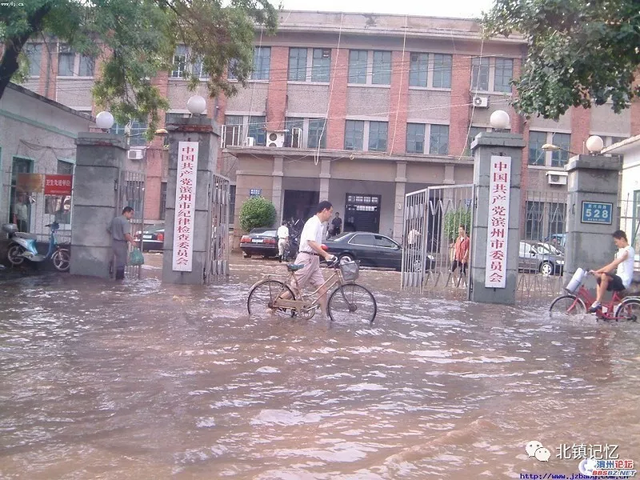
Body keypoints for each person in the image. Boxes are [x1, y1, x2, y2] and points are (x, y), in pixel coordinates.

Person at [292, 201, 336, 316]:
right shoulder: (314, 222)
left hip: (314, 260)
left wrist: (323, 249)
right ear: (324, 210)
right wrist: (326, 255)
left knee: (323, 290)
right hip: (307, 258)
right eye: (330, 212)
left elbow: (313, 243)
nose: (331, 215)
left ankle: (324, 318)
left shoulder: (319, 224)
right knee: (295, 289)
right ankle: (272, 309)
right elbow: (310, 242)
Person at [588, 230, 636, 313]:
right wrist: (597, 272)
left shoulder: (629, 251)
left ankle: (598, 302)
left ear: (622, 239)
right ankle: (598, 303)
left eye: (616, 241)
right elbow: (612, 264)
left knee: (604, 276)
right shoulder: (620, 251)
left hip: (623, 281)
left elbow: (614, 264)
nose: (616, 244)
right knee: (599, 277)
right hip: (618, 278)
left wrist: (601, 272)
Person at [107, 206, 136, 280]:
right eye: (131, 214)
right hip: (121, 244)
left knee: (114, 261)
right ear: (126, 212)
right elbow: (126, 234)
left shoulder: (115, 219)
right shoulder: (125, 222)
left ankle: (112, 276)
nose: (131, 216)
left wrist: (115, 233)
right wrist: (132, 241)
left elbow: (108, 229)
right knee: (121, 263)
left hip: (114, 243)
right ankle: (119, 281)